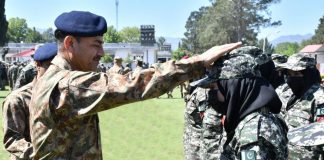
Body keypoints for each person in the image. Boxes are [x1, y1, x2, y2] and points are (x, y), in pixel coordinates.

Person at [28, 10, 241, 159]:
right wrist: (198, 62)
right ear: (70, 43)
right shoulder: (67, 84)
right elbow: (132, 84)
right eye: (96, 45)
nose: (101, 53)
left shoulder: (49, 77)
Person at [194, 46, 288, 159]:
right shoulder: (253, 119)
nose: (211, 94)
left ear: (232, 89)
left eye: (214, 88)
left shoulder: (253, 132)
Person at [2, 43, 58, 160]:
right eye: (50, 66)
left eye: (60, 67)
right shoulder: (17, 99)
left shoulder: (63, 96)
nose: (56, 72)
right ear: (38, 65)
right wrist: (43, 156)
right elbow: (13, 140)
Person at [277, 53, 324, 159]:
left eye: (297, 74)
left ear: (309, 74)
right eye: (289, 74)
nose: (292, 78)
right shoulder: (283, 91)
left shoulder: (319, 98)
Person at [183, 87, 209, 160]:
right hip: (191, 143)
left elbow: (209, 122)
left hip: (199, 146)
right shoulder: (193, 89)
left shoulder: (203, 93)